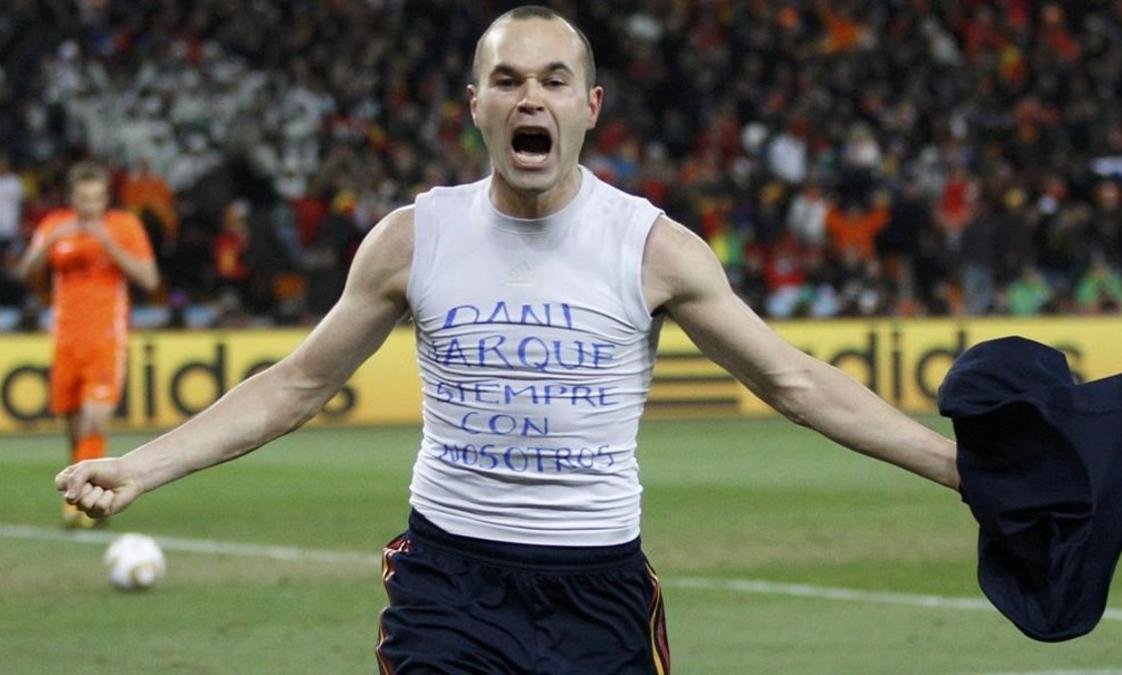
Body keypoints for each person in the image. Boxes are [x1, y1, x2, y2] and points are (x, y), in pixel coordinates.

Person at [56, 7, 957, 673]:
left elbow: (795, 382)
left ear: (591, 105)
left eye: (555, 80)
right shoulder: (415, 237)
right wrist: (143, 465)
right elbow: (294, 385)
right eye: (510, 81)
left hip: (598, 593)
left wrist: (948, 462)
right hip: (448, 581)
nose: (533, 97)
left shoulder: (651, 247)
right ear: (477, 104)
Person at [16, 161, 158, 528]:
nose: (90, 206)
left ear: (106, 198)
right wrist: (49, 241)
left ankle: (79, 504)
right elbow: (25, 272)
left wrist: (108, 244)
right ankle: (84, 488)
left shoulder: (123, 227)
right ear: (72, 198)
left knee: (96, 416)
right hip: (65, 339)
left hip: (106, 339)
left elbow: (148, 277)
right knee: (73, 422)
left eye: (96, 198)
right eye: (83, 198)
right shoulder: (55, 225)